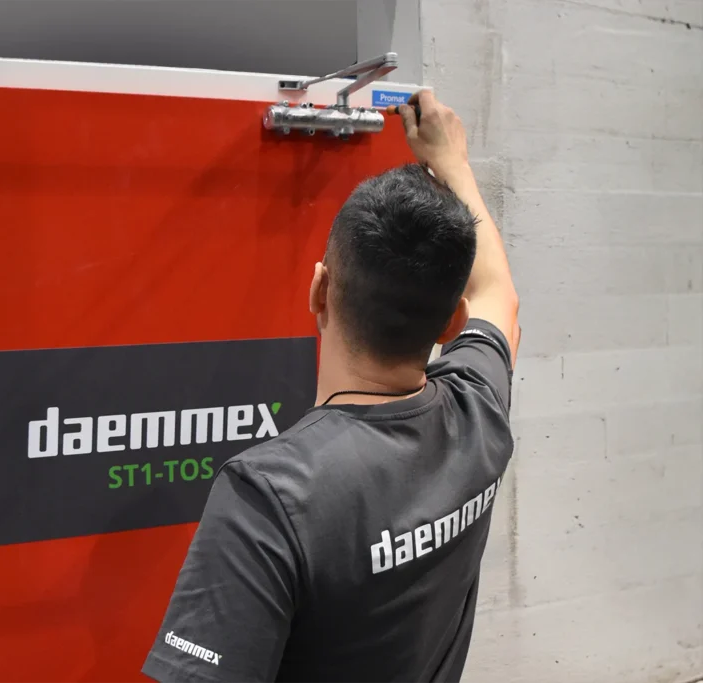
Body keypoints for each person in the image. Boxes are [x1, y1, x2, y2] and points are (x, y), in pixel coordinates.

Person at [141, 89, 521, 683]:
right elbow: (500, 296)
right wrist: (455, 163)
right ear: (453, 323)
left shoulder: (270, 496)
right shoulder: (478, 414)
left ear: (319, 291)